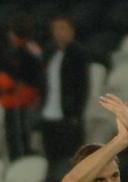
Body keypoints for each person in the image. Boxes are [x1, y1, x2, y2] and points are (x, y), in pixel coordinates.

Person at [39, 15, 89, 165]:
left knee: (71, 158)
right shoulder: (50, 53)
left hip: (68, 115)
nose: (59, 32)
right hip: (48, 114)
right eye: (56, 29)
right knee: (51, 157)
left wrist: (76, 113)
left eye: (62, 28)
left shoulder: (78, 54)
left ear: (71, 31)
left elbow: (82, 86)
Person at [0, 13, 42, 160]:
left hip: (22, 98)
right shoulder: (12, 50)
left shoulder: (29, 50)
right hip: (12, 99)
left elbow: (32, 73)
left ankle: (22, 160)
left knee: (20, 133)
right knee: (13, 134)